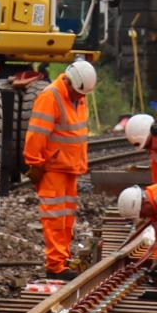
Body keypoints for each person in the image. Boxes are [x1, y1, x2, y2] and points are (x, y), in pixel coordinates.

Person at [26, 58, 95, 276]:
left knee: (66, 220)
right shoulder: (50, 97)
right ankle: (55, 266)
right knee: (54, 219)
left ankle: (61, 260)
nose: (81, 97)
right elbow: (37, 134)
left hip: (70, 168)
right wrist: (34, 164)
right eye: (78, 93)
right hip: (53, 168)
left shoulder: (79, 95)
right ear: (68, 82)